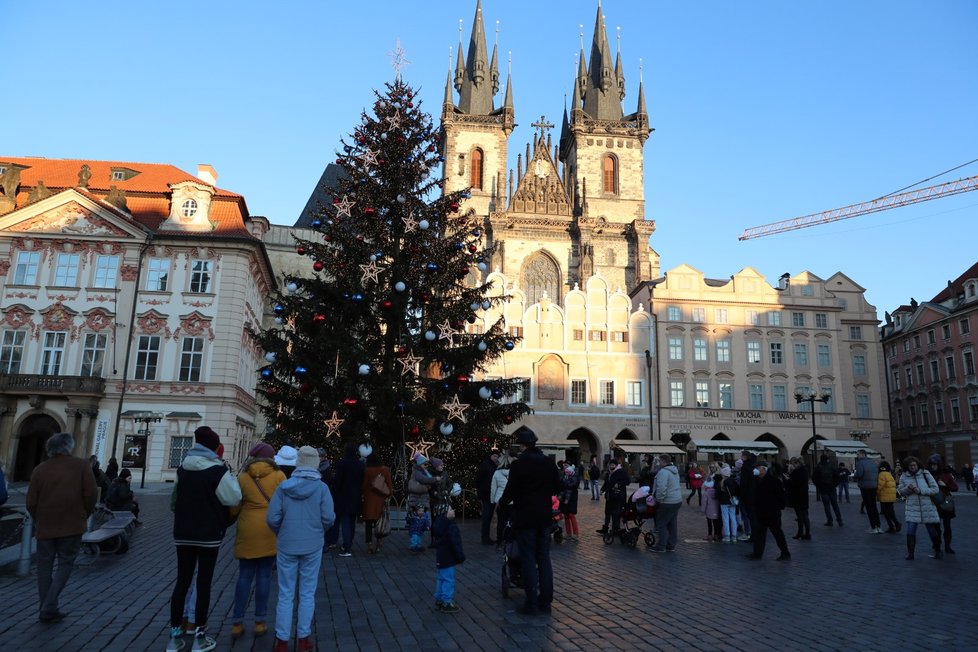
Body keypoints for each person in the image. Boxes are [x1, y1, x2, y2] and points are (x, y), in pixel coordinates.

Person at [167, 426, 242, 652]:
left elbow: (175, 499)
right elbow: (234, 497)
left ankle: (174, 637)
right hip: (208, 534)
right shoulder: (216, 471)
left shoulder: (182, 469)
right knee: (204, 583)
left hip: (183, 533)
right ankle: (200, 636)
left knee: (182, 582)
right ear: (213, 447)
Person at [267, 446, 335, 652]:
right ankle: (303, 638)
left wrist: (282, 531)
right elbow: (329, 518)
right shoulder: (322, 488)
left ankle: (282, 641)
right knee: (307, 592)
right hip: (312, 544)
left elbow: (272, 518)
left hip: (287, 543)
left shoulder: (284, 487)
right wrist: (318, 530)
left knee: (285, 593)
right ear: (315, 463)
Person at [26, 432, 97, 624]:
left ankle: (47, 607)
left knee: (44, 567)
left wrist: (39, 517)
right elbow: (91, 494)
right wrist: (85, 513)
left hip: (46, 526)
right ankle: (49, 607)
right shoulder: (81, 466)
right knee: (65, 564)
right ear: (69, 447)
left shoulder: (40, 469)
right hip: (72, 524)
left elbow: (31, 502)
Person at [498, 427, 561, 616]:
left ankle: (531, 602)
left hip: (525, 516)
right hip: (544, 516)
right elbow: (556, 488)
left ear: (523, 445)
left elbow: (510, 491)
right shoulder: (549, 463)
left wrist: (502, 504)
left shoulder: (519, 464)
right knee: (543, 558)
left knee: (527, 558)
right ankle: (546, 601)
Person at [229, 442, 286, 641]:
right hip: (269, 529)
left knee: (244, 577)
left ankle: (237, 622)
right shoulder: (279, 476)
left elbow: (234, 507)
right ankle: (260, 621)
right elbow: (283, 505)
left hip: (247, 528)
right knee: (264, 577)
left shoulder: (243, 477)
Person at [896, 456, 942, 560]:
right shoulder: (904, 476)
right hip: (912, 507)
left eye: (914, 465)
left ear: (918, 464)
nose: (913, 467)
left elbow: (935, 489)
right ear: (907, 467)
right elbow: (900, 492)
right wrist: (909, 489)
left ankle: (938, 550)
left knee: (931, 530)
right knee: (910, 530)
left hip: (927, 506)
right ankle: (910, 553)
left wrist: (921, 490)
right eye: (910, 465)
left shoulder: (925, 473)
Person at [747, 461, 790, 560]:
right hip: (761, 512)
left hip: (772, 513)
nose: (756, 470)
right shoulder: (757, 480)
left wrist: (778, 507)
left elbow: (782, 497)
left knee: (777, 533)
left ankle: (785, 552)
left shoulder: (773, 481)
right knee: (760, 534)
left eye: (758, 468)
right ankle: (757, 553)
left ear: (764, 469)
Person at [329, 442, 364, 557]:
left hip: (343, 496)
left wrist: (334, 493)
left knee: (345, 521)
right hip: (356, 495)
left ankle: (346, 545)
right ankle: (349, 542)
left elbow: (337, 481)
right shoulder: (360, 464)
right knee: (351, 521)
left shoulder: (342, 463)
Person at [432, 507, 465, 613]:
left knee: (441, 578)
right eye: (451, 509)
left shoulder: (439, 524)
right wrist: (460, 556)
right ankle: (447, 601)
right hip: (449, 557)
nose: (453, 510)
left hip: (441, 557)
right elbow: (455, 542)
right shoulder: (450, 525)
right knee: (448, 580)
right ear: (446, 513)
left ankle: (439, 598)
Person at [361, 452, 393, 554]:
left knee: (368, 524)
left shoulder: (367, 471)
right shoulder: (385, 470)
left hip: (369, 500)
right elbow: (389, 485)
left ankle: (369, 544)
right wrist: (388, 496)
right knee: (379, 523)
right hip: (381, 500)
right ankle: (379, 544)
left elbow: (364, 485)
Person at [649, 454, 682, 552]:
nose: (658, 463)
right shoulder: (674, 471)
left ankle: (661, 546)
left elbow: (661, 488)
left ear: (663, 461)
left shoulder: (663, 472)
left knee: (661, 524)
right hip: (676, 500)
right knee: (672, 523)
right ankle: (671, 545)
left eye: (659, 461)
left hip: (667, 501)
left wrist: (659, 500)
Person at [927, 455, 958, 555]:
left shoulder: (946, 475)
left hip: (945, 504)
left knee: (947, 526)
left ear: (939, 464)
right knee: (936, 526)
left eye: (935, 464)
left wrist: (945, 485)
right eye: (931, 465)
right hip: (933, 503)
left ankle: (947, 546)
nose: (933, 467)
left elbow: (955, 488)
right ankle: (937, 545)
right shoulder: (928, 475)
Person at [596, 459, 629, 534]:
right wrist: (602, 490)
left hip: (618, 497)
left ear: (616, 465)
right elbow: (607, 483)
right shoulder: (609, 473)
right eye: (610, 465)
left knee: (615, 514)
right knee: (607, 512)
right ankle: (605, 528)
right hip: (609, 496)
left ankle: (615, 529)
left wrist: (619, 484)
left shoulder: (621, 472)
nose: (611, 466)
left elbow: (627, 481)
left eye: (613, 465)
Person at [853, 450, 882, 534]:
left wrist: (855, 475)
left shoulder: (860, 463)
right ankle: (878, 526)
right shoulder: (872, 462)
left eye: (858, 454)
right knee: (874, 507)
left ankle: (873, 527)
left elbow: (860, 474)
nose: (857, 456)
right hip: (874, 486)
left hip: (865, 487)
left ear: (862, 454)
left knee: (869, 507)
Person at [813, 455, 843, 527]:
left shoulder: (818, 467)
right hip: (832, 488)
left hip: (823, 489)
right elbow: (837, 477)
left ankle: (830, 521)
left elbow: (814, 478)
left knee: (827, 506)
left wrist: (819, 486)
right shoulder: (832, 466)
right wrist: (834, 485)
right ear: (827, 459)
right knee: (835, 505)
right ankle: (840, 521)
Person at [785, 458, 810, 540]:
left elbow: (793, 484)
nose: (792, 465)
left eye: (793, 464)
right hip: (804, 496)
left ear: (797, 463)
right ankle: (807, 533)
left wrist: (787, 479)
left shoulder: (797, 472)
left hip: (797, 496)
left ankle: (800, 532)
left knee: (800, 516)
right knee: (805, 515)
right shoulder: (804, 471)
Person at [476, 452, 499, 545]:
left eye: (497, 456)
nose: (496, 458)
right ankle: (485, 537)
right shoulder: (485, 465)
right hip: (486, 495)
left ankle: (487, 537)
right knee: (486, 516)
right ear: (490, 456)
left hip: (491, 495)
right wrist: (480, 494)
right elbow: (479, 480)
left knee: (489, 516)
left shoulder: (494, 466)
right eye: (494, 456)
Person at [490, 451, 511, 548]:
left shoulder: (497, 473)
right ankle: (508, 539)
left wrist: (492, 500)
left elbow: (493, 488)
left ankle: (499, 541)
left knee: (501, 522)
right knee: (510, 522)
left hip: (500, 500)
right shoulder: (513, 473)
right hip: (512, 501)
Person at [737, 451, 758, 541]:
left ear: (745, 457)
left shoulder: (745, 467)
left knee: (745, 515)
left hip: (745, 495)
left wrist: (741, 493)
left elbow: (744, 482)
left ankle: (747, 533)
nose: (741, 457)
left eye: (742, 456)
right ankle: (752, 533)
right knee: (751, 515)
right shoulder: (752, 466)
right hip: (751, 494)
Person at [876, 461, 901, 533]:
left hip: (885, 496)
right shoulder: (889, 474)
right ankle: (896, 524)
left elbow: (880, 486)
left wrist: (876, 493)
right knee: (891, 511)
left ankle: (892, 526)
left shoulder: (881, 474)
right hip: (891, 496)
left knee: (886, 513)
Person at [559, 464, 580, 541]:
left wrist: (565, 484)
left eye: (568, 471)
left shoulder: (575, 477)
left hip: (571, 498)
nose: (566, 472)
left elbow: (572, 485)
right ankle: (568, 533)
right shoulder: (564, 476)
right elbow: (561, 484)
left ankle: (575, 534)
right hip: (565, 498)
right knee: (566, 515)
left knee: (571, 515)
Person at [702, 473, 721, 541]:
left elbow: (704, 503)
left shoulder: (706, 494)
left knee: (709, 524)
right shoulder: (717, 492)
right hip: (716, 511)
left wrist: (703, 510)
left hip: (709, 512)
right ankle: (716, 535)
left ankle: (710, 535)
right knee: (716, 523)